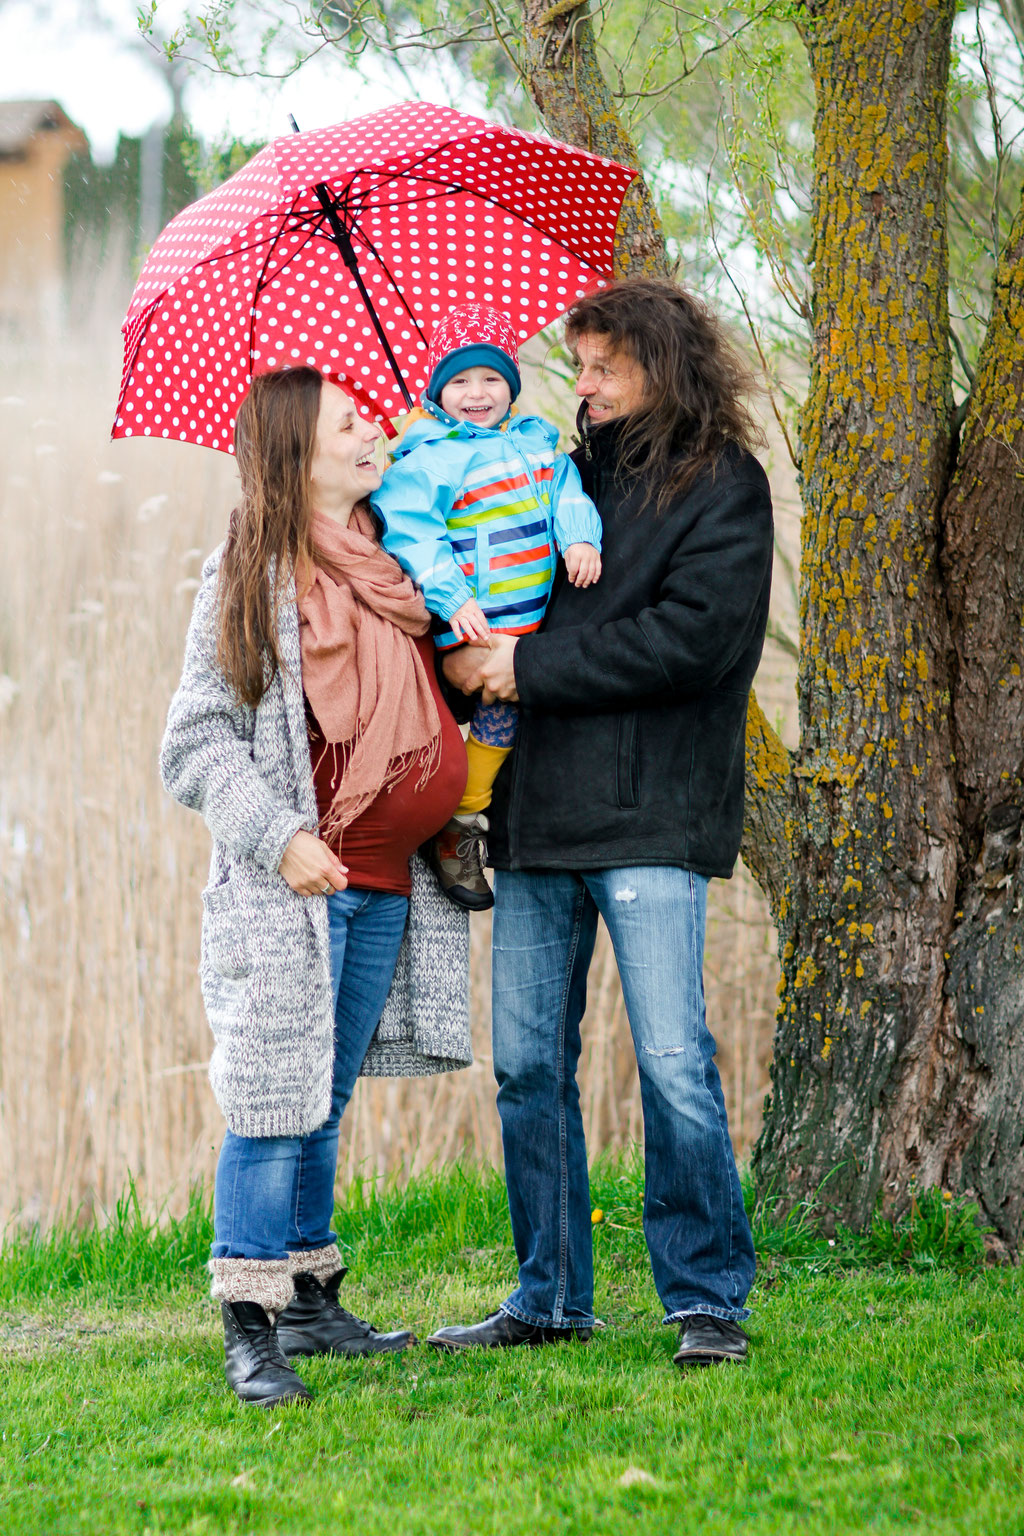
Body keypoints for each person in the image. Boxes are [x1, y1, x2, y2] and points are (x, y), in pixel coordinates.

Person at [426, 277, 773, 1370]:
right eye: (576, 367)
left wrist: (522, 662)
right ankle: (550, 1296)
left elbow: (695, 644)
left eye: (602, 366)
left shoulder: (723, 488)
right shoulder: (553, 474)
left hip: (652, 814)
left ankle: (707, 1298)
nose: (582, 385)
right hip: (534, 818)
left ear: (659, 367)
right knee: (528, 1067)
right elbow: (493, 588)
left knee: (673, 1058)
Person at [160, 367, 472, 1408]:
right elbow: (196, 742)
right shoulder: (250, 573)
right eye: (350, 423)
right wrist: (278, 833)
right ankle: (249, 1325)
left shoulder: (398, 560)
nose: (373, 430)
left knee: (321, 1095)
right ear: (299, 456)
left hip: (385, 879)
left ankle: (307, 1295)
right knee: (268, 1096)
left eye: (371, 416)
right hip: (293, 887)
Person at [371, 303, 602, 911]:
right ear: (437, 390)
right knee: (484, 698)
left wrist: (580, 536)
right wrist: (452, 598)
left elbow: (567, 491)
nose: (478, 393)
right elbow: (413, 534)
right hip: (474, 618)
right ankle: (451, 816)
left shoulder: (535, 445)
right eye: (460, 380)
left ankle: (462, 815)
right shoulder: (425, 458)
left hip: (532, 624)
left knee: (506, 714)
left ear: (512, 385)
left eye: (492, 378)